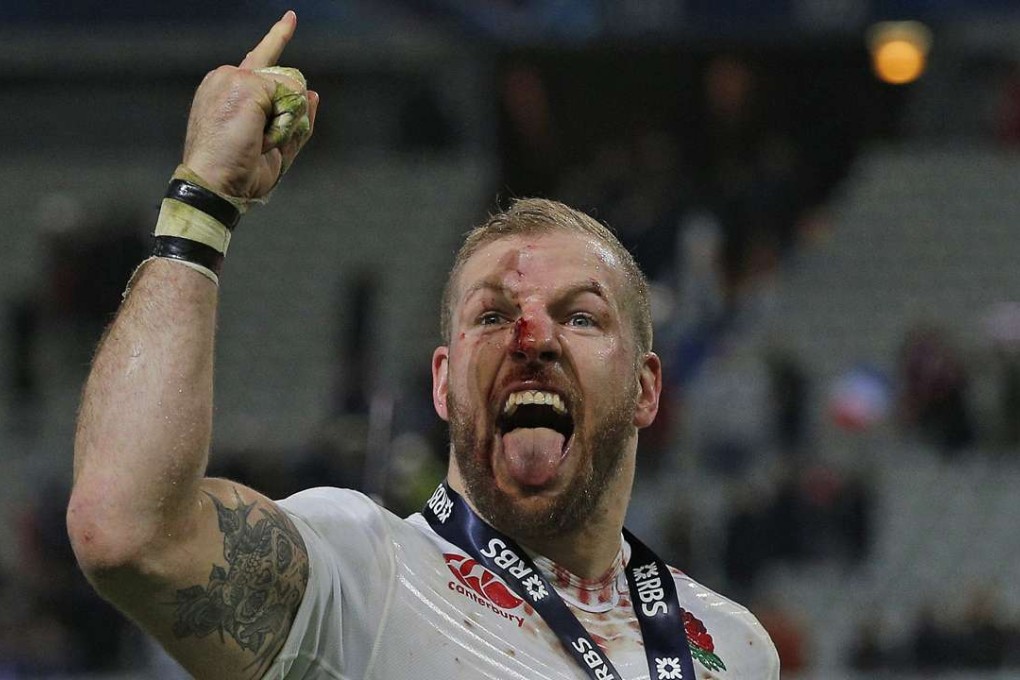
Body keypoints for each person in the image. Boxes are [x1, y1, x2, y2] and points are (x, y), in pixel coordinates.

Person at [67, 13, 780, 680]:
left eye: (583, 318)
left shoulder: (733, 647)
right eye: (494, 317)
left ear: (647, 389)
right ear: (442, 384)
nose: (534, 339)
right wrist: (202, 205)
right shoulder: (362, 576)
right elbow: (129, 533)